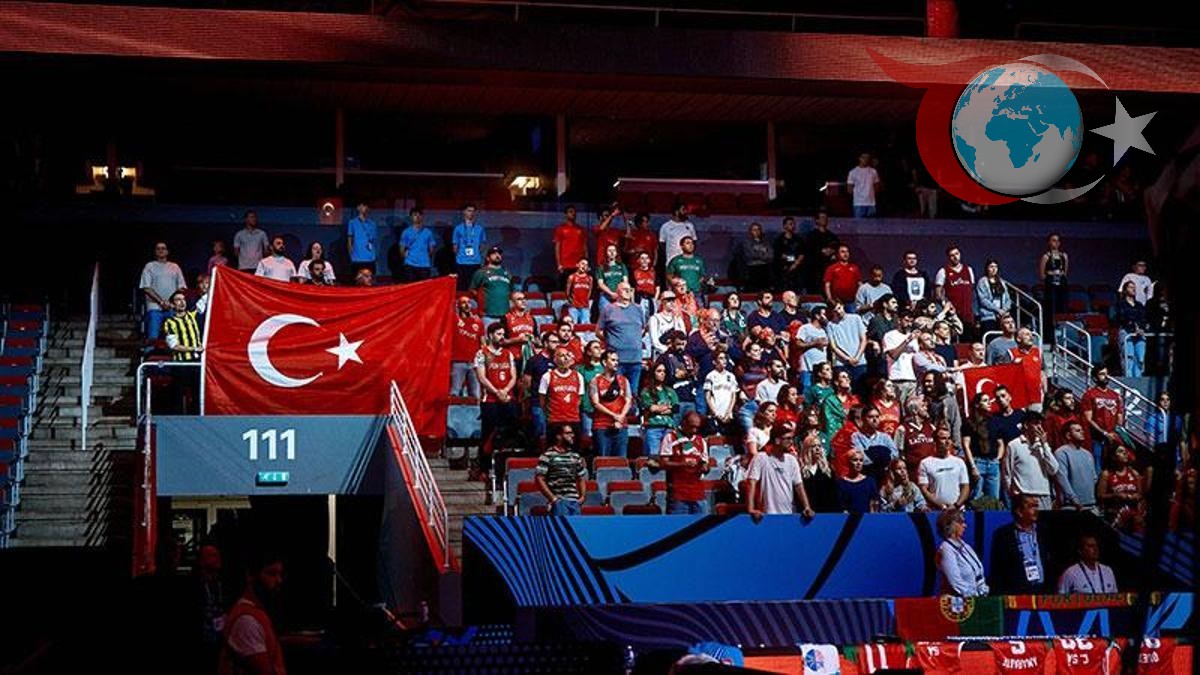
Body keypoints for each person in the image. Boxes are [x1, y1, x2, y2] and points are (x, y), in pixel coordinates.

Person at [219, 550, 287, 675]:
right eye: (271, 574)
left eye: (280, 574)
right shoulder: (247, 620)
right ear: (250, 575)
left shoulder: (256, 613)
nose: (279, 580)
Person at [474, 322, 518, 477]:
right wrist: (497, 392)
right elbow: (482, 377)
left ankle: (504, 467)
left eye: (503, 334)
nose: (502, 337)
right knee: (488, 434)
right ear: (490, 335)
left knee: (510, 434)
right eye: (498, 334)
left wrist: (505, 391)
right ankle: (483, 468)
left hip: (507, 398)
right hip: (490, 400)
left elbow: (513, 376)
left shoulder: (508, 353)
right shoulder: (482, 353)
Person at [746, 424, 815, 519]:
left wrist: (807, 507)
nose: (791, 442)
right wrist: (751, 509)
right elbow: (751, 483)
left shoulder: (792, 460)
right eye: (788, 439)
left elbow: (799, 486)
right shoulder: (761, 458)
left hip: (789, 515)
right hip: (766, 516)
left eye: (792, 438)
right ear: (777, 440)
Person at [989, 494, 1053, 595]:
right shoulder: (1003, 535)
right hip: (1017, 593)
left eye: (1036, 506)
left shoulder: (1044, 531)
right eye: (1031, 506)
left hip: (1042, 592)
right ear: (1019, 511)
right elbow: (999, 570)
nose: (1036, 510)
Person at [597, 281, 646, 402]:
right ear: (617, 292)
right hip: (617, 360)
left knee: (633, 393)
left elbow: (643, 329)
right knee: (617, 393)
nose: (628, 291)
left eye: (630, 289)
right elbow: (598, 331)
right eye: (625, 289)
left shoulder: (638, 309)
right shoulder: (608, 309)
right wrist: (611, 341)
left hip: (635, 359)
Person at [1002, 412, 1059, 510]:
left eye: (1040, 424)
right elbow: (1007, 472)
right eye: (1036, 423)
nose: (1040, 427)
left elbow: (1054, 469)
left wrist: (1044, 445)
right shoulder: (1014, 445)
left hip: (1044, 494)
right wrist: (1012, 493)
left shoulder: (1042, 446)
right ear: (1026, 425)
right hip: (1024, 495)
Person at [657, 411, 710, 514]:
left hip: (698, 492)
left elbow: (706, 464)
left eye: (697, 427)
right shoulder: (671, 437)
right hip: (678, 492)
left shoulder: (701, 441)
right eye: (691, 427)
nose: (694, 430)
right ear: (684, 423)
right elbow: (663, 463)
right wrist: (683, 464)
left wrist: (705, 468)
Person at [535, 424, 588, 516]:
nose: (572, 436)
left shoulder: (575, 456)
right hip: (559, 502)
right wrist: (553, 499)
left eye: (572, 433)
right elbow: (539, 479)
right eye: (568, 433)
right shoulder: (547, 456)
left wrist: (582, 496)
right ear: (558, 436)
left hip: (574, 502)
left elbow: (580, 478)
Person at [140, 241, 187, 341]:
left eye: (163, 248)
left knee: (177, 336)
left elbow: (182, 287)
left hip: (172, 308)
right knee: (153, 337)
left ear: (167, 251)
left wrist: (170, 302)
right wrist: (161, 302)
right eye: (158, 248)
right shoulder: (149, 266)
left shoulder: (175, 267)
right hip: (154, 308)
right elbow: (146, 287)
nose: (161, 250)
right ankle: (151, 350)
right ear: (155, 251)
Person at [1081, 365, 1124, 472]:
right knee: (1098, 467)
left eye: (1107, 374)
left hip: (1113, 437)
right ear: (1095, 378)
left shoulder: (1115, 395)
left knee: (1115, 467)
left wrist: (1115, 432)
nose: (1106, 376)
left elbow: (1119, 417)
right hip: (1097, 438)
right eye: (1102, 374)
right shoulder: (1089, 395)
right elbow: (1088, 419)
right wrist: (1104, 433)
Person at [936, 509, 988, 597]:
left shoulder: (966, 547)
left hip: (977, 597)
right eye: (961, 522)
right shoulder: (946, 549)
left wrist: (983, 590)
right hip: (958, 600)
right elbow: (956, 582)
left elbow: (979, 573)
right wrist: (974, 595)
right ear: (951, 525)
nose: (965, 525)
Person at [589, 349, 631, 458]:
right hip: (602, 425)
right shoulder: (595, 381)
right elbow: (595, 403)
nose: (616, 363)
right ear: (604, 362)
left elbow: (628, 401)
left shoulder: (624, 380)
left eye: (617, 360)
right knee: (603, 459)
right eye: (613, 360)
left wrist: (621, 416)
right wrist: (614, 415)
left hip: (621, 425)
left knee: (621, 460)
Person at [918, 425, 970, 510]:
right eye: (943, 438)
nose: (947, 441)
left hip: (957, 510)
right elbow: (924, 489)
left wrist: (956, 505)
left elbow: (965, 487)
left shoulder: (959, 462)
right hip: (937, 510)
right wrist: (941, 506)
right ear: (935, 441)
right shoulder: (925, 463)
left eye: (949, 438)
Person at [1098, 445, 1146, 533]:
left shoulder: (1134, 473)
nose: (1125, 453)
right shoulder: (1107, 474)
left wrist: (1136, 496)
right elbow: (1100, 496)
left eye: (1125, 451)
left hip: (1133, 518)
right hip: (1115, 517)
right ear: (1113, 456)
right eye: (1120, 451)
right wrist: (1116, 495)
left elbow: (1141, 495)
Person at [524, 332, 562, 441]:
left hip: (555, 403)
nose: (557, 344)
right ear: (545, 343)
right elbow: (527, 383)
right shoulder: (534, 361)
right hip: (538, 402)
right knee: (541, 431)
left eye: (558, 342)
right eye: (553, 342)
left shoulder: (559, 361)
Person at [963, 392, 1001, 501]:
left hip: (993, 463)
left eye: (989, 400)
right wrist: (973, 466)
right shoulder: (969, 422)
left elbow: (1000, 442)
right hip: (978, 462)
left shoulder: (994, 421)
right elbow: (966, 445)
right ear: (977, 404)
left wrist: (997, 459)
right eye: (985, 400)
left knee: (994, 499)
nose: (989, 403)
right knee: (976, 498)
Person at [1053, 421, 1098, 511]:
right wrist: (1073, 498)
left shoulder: (1088, 454)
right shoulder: (1061, 453)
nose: (1082, 432)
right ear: (1068, 435)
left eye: (1082, 430)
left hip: (1090, 504)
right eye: (1078, 430)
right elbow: (1062, 478)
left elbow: (1094, 477)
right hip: (1071, 506)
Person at [934, 245, 976, 338]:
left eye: (957, 254)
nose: (955, 257)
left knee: (968, 340)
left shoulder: (968, 269)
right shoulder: (943, 271)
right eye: (952, 255)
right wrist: (945, 304)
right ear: (948, 257)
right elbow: (938, 293)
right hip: (952, 314)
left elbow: (971, 288)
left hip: (967, 313)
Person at [640, 362, 680, 458]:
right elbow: (651, 408)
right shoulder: (646, 391)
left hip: (669, 428)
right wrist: (667, 407)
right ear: (653, 373)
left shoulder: (671, 391)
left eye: (664, 371)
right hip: (653, 427)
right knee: (654, 457)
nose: (662, 373)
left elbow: (676, 408)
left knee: (669, 457)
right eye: (659, 371)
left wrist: (659, 408)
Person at [1113, 279, 1149, 377]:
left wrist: (1141, 328)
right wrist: (1133, 325)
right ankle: (1129, 380)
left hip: (1140, 333)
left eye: (1134, 288)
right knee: (1129, 357)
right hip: (1127, 332)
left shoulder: (1139, 305)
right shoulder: (1120, 304)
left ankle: (1138, 378)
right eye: (1130, 287)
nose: (1133, 289)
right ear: (1125, 290)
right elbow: (1120, 317)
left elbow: (1144, 318)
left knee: (1140, 358)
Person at [883, 309, 919, 403]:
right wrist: (907, 340)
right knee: (899, 407)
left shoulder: (913, 338)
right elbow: (893, 355)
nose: (909, 324)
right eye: (906, 321)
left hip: (913, 379)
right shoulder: (890, 335)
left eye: (911, 321)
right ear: (899, 320)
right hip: (898, 379)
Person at [450, 295, 484, 398]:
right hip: (458, 362)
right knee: (454, 393)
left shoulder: (478, 322)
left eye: (468, 302)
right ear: (458, 305)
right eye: (463, 303)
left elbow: (482, 342)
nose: (467, 305)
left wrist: (482, 361)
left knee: (475, 394)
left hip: (474, 363)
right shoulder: (454, 320)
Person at [797, 430, 838, 512]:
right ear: (807, 448)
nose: (817, 449)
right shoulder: (800, 470)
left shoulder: (827, 470)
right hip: (807, 512)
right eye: (813, 446)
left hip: (826, 512)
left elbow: (834, 494)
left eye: (819, 446)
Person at [1039, 233, 1069, 343]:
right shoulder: (1046, 256)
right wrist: (1051, 275)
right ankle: (1050, 337)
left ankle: (1062, 336)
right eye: (1053, 240)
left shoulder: (1064, 256)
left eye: (1057, 240)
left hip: (1061, 286)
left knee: (1062, 310)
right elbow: (1042, 275)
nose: (1055, 243)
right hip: (1050, 287)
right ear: (1049, 242)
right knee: (1050, 311)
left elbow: (1065, 272)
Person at [469, 246, 513, 319]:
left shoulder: (507, 273)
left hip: (505, 315)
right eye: (494, 254)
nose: (497, 255)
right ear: (487, 258)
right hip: (487, 315)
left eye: (499, 253)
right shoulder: (481, 272)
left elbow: (512, 292)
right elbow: (472, 289)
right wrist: (481, 300)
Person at [794, 304, 830, 392]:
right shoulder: (805, 328)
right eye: (824, 314)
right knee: (807, 393)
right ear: (817, 316)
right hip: (807, 368)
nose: (826, 317)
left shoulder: (825, 330)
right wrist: (814, 343)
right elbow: (797, 344)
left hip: (821, 371)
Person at [704, 350, 739, 436]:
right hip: (716, 414)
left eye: (725, 358)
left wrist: (729, 412)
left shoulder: (731, 376)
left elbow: (733, 395)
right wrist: (715, 413)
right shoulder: (710, 376)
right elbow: (708, 397)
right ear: (714, 362)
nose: (724, 360)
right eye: (721, 358)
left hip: (728, 414)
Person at [803, 211, 839, 294]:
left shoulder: (832, 236)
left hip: (828, 268)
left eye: (826, 218)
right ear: (817, 220)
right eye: (822, 218)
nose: (824, 220)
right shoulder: (811, 236)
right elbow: (808, 251)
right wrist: (821, 251)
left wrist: (832, 252)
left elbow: (837, 248)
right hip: (815, 270)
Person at [452, 203, 486, 290]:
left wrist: (476, 254)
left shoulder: (480, 228)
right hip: (461, 262)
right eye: (469, 211)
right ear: (464, 212)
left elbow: (482, 245)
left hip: (475, 262)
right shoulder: (458, 228)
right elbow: (455, 246)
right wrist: (461, 255)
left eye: (473, 211)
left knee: (475, 287)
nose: (471, 213)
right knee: (462, 287)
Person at [397, 207, 437, 282]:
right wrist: (406, 258)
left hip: (424, 265)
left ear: (422, 216)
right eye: (415, 215)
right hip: (410, 265)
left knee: (424, 287)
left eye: (419, 215)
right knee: (411, 286)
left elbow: (431, 249)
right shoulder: (406, 232)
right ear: (411, 217)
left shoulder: (428, 232)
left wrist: (424, 257)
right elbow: (402, 249)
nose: (417, 217)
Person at [975, 259, 1013, 337]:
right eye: (991, 267)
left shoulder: (1001, 281)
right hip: (988, 316)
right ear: (987, 268)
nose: (994, 269)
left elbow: (1008, 299)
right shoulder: (982, 281)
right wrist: (997, 310)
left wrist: (1004, 310)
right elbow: (983, 300)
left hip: (1002, 316)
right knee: (990, 337)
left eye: (996, 267)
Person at [553, 205, 587, 289]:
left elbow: (585, 247)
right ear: (566, 214)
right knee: (564, 288)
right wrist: (559, 264)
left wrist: (585, 262)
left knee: (577, 288)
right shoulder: (560, 229)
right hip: (565, 265)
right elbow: (557, 247)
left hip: (578, 264)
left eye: (574, 212)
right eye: (571, 212)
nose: (573, 214)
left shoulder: (581, 229)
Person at [577, 340, 605, 440]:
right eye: (596, 347)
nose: (599, 350)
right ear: (589, 352)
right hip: (587, 407)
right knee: (587, 437)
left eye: (600, 348)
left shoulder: (606, 368)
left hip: (603, 409)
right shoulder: (581, 369)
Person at [733, 222, 773, 292]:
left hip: (765, 270)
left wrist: (759, 254)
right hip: (752, 270)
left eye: (758, 229)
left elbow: (770, 255)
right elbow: (751, 255)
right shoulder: (746, 243)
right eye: (754, 230)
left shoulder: (766, 242)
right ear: (750, 231)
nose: (756, 231)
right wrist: (763, 253)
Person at [659, 202, 697, 273]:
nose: (686, 212)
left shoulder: (690, 226)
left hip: (688, 264)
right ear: (676, 212)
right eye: (683, 210)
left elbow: (694, 242)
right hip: (671, 263)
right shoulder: (666, 226)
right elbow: (662, 245)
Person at [823, 245, 862, 310]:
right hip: (837, 302)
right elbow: (827, 285)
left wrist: (860, 299)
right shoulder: (831, 268)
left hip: (852, 302)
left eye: (847, 251)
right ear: (838, 254)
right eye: (843, 252)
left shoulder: (855, 268)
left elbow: (860, 284)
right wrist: (830, 299)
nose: (845, 254)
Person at [773, 215, 805, 293]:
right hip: (783, 270)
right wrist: (791, 259)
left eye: (793, 224)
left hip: (797, 271)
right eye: (790, 224)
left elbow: (802, 253)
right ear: (784, 226)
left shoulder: (799, 239)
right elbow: (779, 254)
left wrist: (795, 263)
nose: (793, 226)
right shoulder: (779, 240)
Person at [596, 243, 630, 316]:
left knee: (619, 317)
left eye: (614, 250)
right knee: (605, 317)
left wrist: (620, 294)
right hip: (605, 297)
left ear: (616, 253)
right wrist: (611, 293)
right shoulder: (601, 267)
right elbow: (600, 283)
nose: (612, 252)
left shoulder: (622, 266)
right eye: (609, 250)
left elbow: (625, 282)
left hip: (619, 296)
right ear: (606, 253)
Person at [346, 202, 377, 275]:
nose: (365, 208)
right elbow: (349, 241)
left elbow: (374, 241)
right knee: (357, 279)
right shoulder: (352, 222)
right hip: (357, 258)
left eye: (366, 206)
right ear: (358, 208)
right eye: (363, 206)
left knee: (370, 279)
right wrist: (351, 255)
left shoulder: (372, 224)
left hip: (370, 258)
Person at [847, 152, 881, 218]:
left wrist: (871, 194)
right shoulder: (853, 172)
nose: (865, 159)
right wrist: (858, 194)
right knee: (859, 223)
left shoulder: (873, 171)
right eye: (864, 157)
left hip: (871, 203)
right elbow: (849, 189)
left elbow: (877, 185)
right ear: (859, 158)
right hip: (858, 204)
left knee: (872, 223)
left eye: (867, 158)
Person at [565, 259, 594, 325]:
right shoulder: (572, 277)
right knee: (573, 325)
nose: (584, 266)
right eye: (582, 264)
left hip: (585, 307)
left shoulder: (590, 278)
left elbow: (589, 291)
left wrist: (586, 301)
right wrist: (571, 301)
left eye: (586, 265)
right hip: (574, 307)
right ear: (577, 265)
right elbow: (567, 292)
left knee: (585, 326)